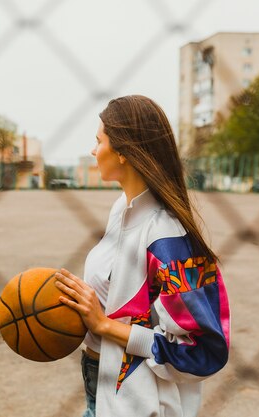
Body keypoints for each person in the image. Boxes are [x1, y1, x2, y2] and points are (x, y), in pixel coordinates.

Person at [54, 95, 231, 417]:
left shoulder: (169, 239)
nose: (94, 151)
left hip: (140, 405)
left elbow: (204, 352)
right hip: (100, 386)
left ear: (122, 151)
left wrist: (104, 325)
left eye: (98, 141)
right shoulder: (122, 209)